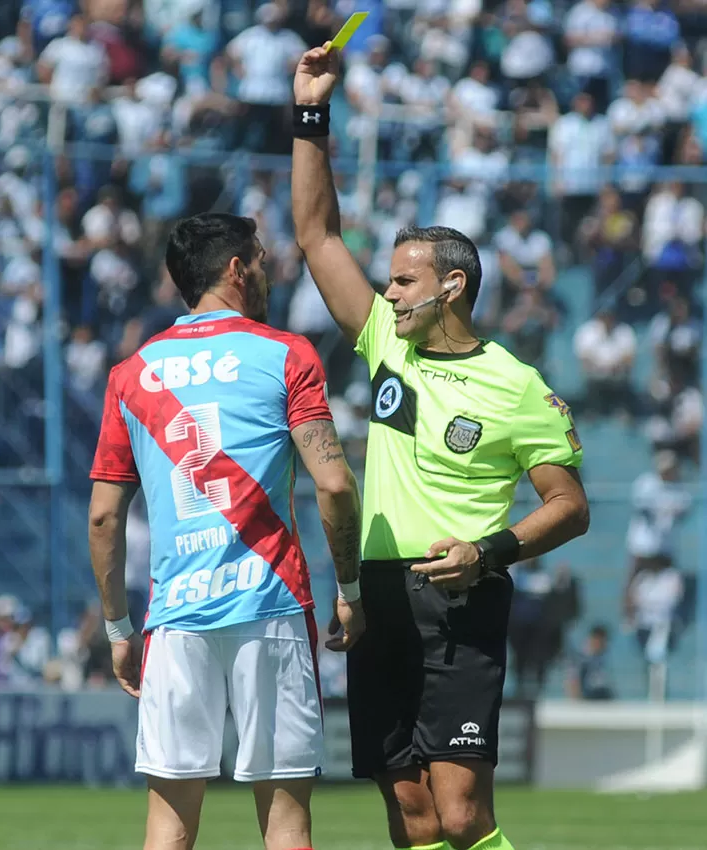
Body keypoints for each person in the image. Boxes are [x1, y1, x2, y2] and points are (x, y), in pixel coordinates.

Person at [290, 46, 592, 850]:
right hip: (380, 595)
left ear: (451, 286)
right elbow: (316, 235)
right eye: (386, 281)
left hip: (463, 595)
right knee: (413, 818)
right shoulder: (388, 343)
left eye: (402, 282)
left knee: (462, 815)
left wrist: (488, 554)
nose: (387, 294)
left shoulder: (517, 385)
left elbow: (570, 507)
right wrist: (312, 112)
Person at [88, 212, 365, 850]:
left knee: (169, 826)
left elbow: (104, 516)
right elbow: (335, 485)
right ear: (236, 270)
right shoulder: (286, 354)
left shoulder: (131, 375)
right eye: (262, 260)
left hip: (176, 615)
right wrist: (347, 585)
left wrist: (117, 629)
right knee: (287, 826)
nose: (268, 269)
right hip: (269, 604)